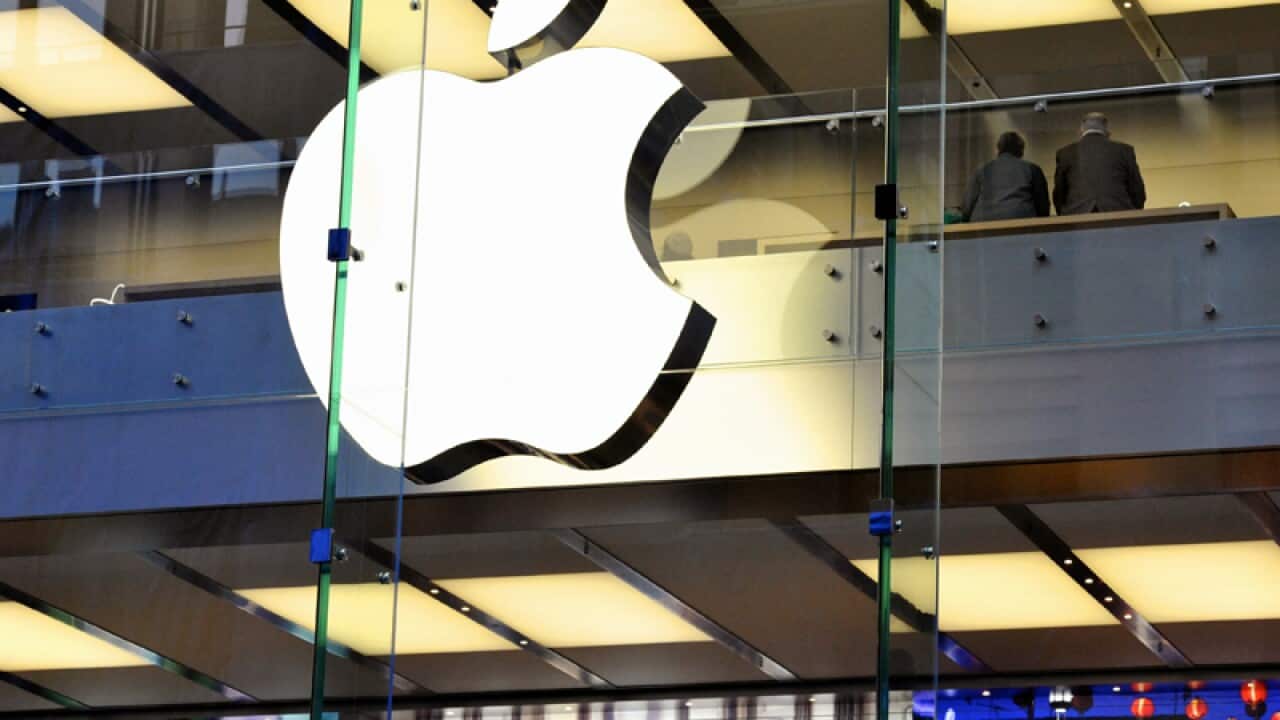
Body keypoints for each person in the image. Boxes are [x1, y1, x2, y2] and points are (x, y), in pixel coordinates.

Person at [1053, 112, 1146, 215]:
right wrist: (1133, 213)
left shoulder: (1066, 153)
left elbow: (1059, 193)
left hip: (1078, 215)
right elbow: (1137, 190)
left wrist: (1065, 214)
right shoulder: (1124, 150)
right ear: (1107, 129)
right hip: (1118, 213)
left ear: (1081, 130)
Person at [960, 131, 1050, 222]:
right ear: (1021, 150)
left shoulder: (981, 171)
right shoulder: (1032, 169)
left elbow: (966, 208)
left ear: (999, 149)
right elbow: (1043, 208)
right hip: (1022, 223)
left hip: (982, 224)